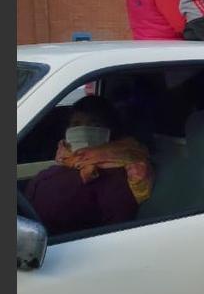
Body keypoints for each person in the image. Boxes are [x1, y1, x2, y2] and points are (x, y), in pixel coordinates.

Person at [25, 96, 154, 236]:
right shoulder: (67, 159)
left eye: (94, 125)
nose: (83, 130)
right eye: (76, 124)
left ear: (110, 130)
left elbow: (115, 228)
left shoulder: (120, 171)